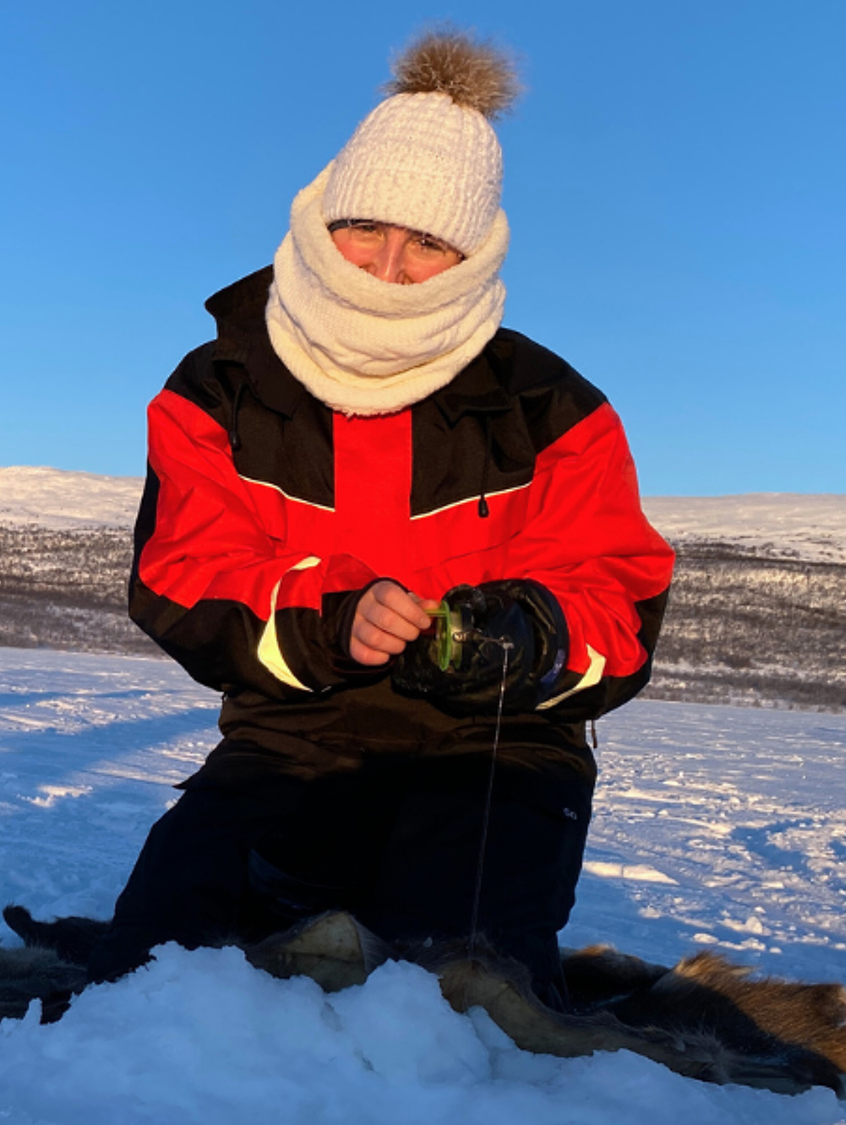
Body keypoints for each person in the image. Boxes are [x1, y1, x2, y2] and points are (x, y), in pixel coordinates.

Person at [86, 29, 676, 1008]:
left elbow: (616, 601)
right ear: (321, 219)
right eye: (365, 227)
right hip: (294, 733)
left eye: (428, 241)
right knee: (151, 982)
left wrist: (528, 634)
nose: (390, 265)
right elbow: (182, 576)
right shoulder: (216, 390)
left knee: (453, 998)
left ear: (469, 251)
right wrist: (329, 619)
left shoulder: (548, 403)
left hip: (495, 744)